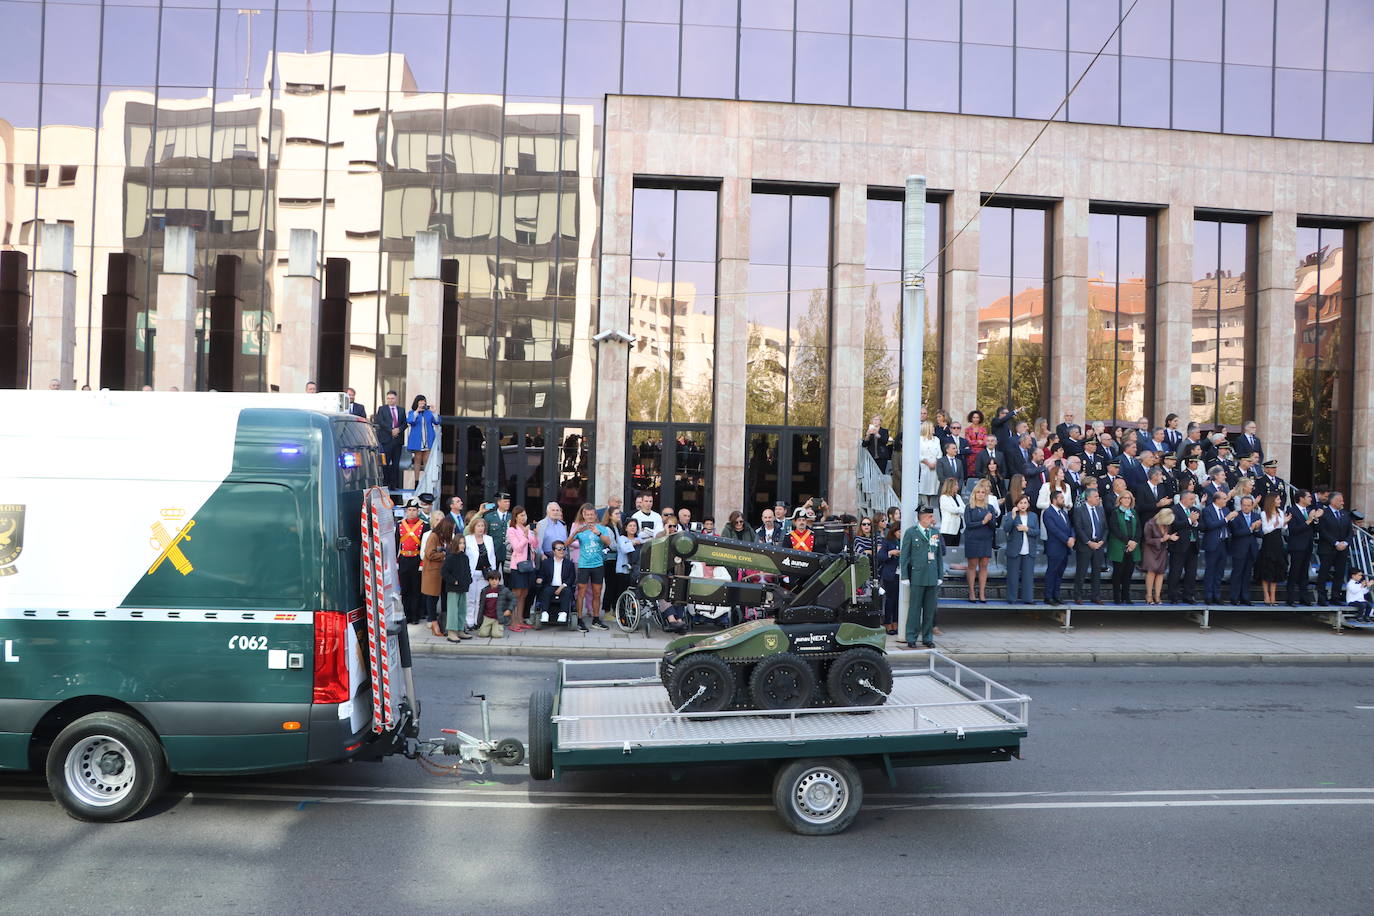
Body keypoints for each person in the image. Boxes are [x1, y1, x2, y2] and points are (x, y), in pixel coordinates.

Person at [899, 506, 943, 649]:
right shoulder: (911, 533)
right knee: (915, 609)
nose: (932, 519)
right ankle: (911, 637)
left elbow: (938, 556)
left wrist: (940, 575)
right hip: (917, 576)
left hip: (931, 576)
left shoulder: (935, 532)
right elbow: (905, 555)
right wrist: (904, 575)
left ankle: (927, 637)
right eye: (930, 516)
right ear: (923, 517)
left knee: (930, 610)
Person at [569, 503, 615, 630]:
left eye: (592, 514)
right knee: (581, 593)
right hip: (583, 565)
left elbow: (609, 543)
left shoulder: (601, 528)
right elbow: (566, 544)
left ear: (595, 515)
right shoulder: (580, 529)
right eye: (587, 515)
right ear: (583, 515)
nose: (590, 517)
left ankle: (596, 619)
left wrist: (598, 533)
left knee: (597, 593)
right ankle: (579, 619)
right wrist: (576, 532)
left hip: (598, 565)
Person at [503, 505, 540, 631]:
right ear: (516, 517)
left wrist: (534, 534)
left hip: (529, 565)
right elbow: (517, 548)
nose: (524, 517)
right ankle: (513, 623)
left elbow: (534, 545)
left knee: (524, 593)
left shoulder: (527, 529)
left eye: (525, 515)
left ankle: (520, 620)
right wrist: (525, 536)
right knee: (516, 594)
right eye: (521, 515)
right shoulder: (512, 530)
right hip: (518, 566)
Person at [1315, 491, 1353, 606]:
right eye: (1340, 500)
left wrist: (1345, 543)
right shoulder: (1324, 513)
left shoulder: (1345, 514)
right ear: (1333, 501)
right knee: (1324, 573)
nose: (1343, 502)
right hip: (1328, 548)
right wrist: (1335, 543)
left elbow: (1350, 531)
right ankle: (1322, 597)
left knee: (1340, 573)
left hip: (1342, 549)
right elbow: (1322, 530)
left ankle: (1335, 597)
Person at [1072, 488, 1108, 604]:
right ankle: (1078, 596)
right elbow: (1078, 528)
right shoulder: (1079, 510)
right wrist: (1088, 542)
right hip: (1085, 545)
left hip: (1098, 545)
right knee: (1081, 572)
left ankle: (1096, 596)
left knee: (1097, 572)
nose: (1098, 498)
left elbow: (1105, 528)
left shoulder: (1100, 510)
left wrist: (1102, 541)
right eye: (1096, 496)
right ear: (1088, 498)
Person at [1001, 495, 1038, 604]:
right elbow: (1006, 528)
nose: (1023, 505)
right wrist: (1012, 516)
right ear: (1016, 504)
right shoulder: (1010, 515)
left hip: (1029, 549)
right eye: (1020, 503)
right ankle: (1011, 598)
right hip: (1014, 549)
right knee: (1012, 575)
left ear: (1028, 504)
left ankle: (1028, 598)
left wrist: (1027, 529)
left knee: (1028, 576)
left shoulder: (1033, 516)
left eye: (1025, 503)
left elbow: (1037, 532)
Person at [420, 515, 454, 637]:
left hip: (442, 573)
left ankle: (442, 622)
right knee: (432, 598)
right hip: (433, 572)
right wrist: (443, 555)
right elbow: (429, 554)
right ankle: (433, 623)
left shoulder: (443, 538)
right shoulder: (433, 536)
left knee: (444, 597)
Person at [1285, 490, 1321, 606]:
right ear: (1301, 498)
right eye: (1309, 497)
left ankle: (1304, 597)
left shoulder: (1310, 510)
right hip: (1297, 546)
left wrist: (1315, 520)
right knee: (1294, 571)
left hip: (1308, 545)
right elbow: (1293, 530)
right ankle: (1290, 598)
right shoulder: (1291, 510)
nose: (1311, 499)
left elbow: (1315, 529)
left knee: (1305, 572)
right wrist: (1309, 521)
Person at [1200, 490, 1235, 604]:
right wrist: (1226, 519)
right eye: (1224, 499)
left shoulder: (1226, 509)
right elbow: (1210, 525)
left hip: (1224, 543)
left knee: (1220, 571)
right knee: (1210, 571)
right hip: (1212, 544)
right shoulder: (1207, 510)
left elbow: (1230, 525)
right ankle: (1208, 596)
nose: (1226, 501)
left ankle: (1217, 595)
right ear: (1217, 499)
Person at [463, 515, 498, 631]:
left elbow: (492, 557)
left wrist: (493, 573)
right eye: (478, 526)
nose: (480, 528)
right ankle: (469, 621)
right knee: (470, 598)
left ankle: (478, 621)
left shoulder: (489, 539)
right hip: (472, 573)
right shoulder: (468, 539)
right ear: (474, 527)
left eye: (482, 526)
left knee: (480, 598)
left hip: (485, 573)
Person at [1167, 491, 1202, 604]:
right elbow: (1174, 525)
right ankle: (1173, 595)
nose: (1193, 501)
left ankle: (1189, 595)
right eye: (1191, 499)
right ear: (1184, 499)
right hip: (1179, 545)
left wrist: (1195, 523)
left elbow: (1203, 526)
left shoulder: (1195, 510)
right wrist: (1189, 520)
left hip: (1193, 545)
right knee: (1175, 571)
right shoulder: (1174, 510)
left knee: (1191, 572)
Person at [1107, 491, 1142, 604]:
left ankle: (1126, 596)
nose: (1127, 500)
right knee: (1118, 572)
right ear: (1120, 500)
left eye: (1129, 498)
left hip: (1133, 547)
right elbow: (1115, 528)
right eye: (1125, 498)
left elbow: (1138, 529)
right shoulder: (1115, 512)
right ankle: (1117, 596)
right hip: (1119, 545)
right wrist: (1128, 541)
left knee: (1128, 572)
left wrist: (1135, 542)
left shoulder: (1134, 512)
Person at [533, 540, 577, 629]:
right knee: (546, 590)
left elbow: (571, 578)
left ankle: (563, 613)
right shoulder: (546, 563)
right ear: (553, 551)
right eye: (559, 549)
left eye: (563, 549)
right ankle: (544, 612)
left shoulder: (569, 564)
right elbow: (542, 574)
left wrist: (562, 586)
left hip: (563, 586)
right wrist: (540, 579)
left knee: (567, 591)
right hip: (550, 586)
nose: (562, 551)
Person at [1227, 495, 1262, 606]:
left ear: (1252, 506)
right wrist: (1251, 528)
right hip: (1239, 549)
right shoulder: (1236, 516)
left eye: (1248, 505)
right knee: (1237, 574)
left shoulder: (1256, 516)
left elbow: (1260, 534)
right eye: (1244, 505)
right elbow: (1236, 533)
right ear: (1241, 505)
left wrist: (1256, 529)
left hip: (1251, 549)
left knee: (1247, 575)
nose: (1246, 507)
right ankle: (1234, 597)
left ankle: (1245, 597)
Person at [962, 487, 996, 603]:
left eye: (983, 492)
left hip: (986, 539)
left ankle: (982, 593)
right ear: (974, 494)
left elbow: (993, 526)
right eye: (978, 492)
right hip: (972, 539)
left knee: (984, 566)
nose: (981, 494)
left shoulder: (990, 508)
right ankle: (971, 591)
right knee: (972, 565)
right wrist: (983, 522)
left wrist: (990, 520)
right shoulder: (969, 507)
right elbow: (969, 524)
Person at [396, 499, 426, 624]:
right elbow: (396, 542)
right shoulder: (400, 524)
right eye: (409, 510)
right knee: (405, 589)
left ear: (418, 511)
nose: (412, 512)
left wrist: (422, 563)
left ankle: (415, 616)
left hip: (416, 559)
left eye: (414, 510)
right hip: (403, 560)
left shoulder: (425, 525)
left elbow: (424, 545)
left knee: (416, 589)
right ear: (406, 511)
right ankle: (406, 615)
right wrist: (395, 561)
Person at [441, 525, 473, 641]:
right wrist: (453, 581)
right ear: (455, 544)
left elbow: (467, 570)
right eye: (460, 543)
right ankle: (451, 631)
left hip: (463, 587)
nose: (462, 545)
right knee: (453, 610)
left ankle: (460, 629)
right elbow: (444, 572)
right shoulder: (450, 557)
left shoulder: (464, 557)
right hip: (453, 588)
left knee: (462, 610)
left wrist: (469, 580)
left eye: (463, 543)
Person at [1255, 493, 1288, 606]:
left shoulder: (1281, 512)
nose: (1280, 501)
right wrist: (1276, 524)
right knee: (1267, 568)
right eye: (1278, 499)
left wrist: (1284, 522)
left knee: (1276, 569)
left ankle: (1273, 596)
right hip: (1268, 542)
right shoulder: (1264, 513)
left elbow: (1283, 528)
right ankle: (1266, 595)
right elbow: (1265, 530)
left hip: (1278, 542)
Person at [373, 390, 405, 489]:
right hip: (386, 440)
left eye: (392, 398)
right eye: (388, 398)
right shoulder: (382, 409)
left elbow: (405, 423)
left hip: (397, 441)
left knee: (396, 464)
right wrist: (391, 430)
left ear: (396, 399)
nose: (390, 400)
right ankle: (386, 483)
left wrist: (398, 430)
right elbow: (380, 421)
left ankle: (394, 484)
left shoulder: (401, 410)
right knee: (385, 463)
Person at [1142, 508, 1174, 605]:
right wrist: (1161, 540)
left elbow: (1166, 536)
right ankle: (1149, 596)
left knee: (1160, 573)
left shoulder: (1166, 524)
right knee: (1151, 572)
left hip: (1162, 550)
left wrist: (1170, 537)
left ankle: (1157, 596)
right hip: (1150, 550)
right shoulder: (1150, 524)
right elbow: (1147, 540)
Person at [405, 395, 439, 482]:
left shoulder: (428, 413)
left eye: (423, 401)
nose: (422, 403)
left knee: (426, 461)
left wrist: (434, 412)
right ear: (417, 402)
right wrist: (417, 411)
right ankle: (416, 481)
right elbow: (410, 421)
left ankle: (426, 481)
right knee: (417, 460)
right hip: (418, 440)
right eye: (420, 401)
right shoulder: (412, 412)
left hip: (427, 440)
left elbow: (437, 421)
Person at [474, 568, 514, 638]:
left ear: (499, 580)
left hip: (498, 617)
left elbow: (513, 599)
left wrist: (509, 609)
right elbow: (481, 606)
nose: (494, 582)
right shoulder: (484, 591)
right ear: (488, 580)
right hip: (487, 616)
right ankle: (489, 628)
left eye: (496, 579)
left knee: (497, 635)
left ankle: (496, 628)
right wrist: (479, 620)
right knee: (482, 634)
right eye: (492, 579)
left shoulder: (504, 590)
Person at [878, 522, 903, 635]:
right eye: (899, 531)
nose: (900, 533)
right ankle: (888, 623)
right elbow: (880, 556)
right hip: (890, 574)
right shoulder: (888, 541)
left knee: (899, 600)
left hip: (901, 574)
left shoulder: (905, 541)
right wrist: (890, 553)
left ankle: (896, 622)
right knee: (890, 600)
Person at [483, 493, 513, 573]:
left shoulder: (512, 517)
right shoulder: (489, 517)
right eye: (505, 501)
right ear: (499, 503)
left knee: (507, 578)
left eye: (508, 502)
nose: (508, 504)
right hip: (494, 551)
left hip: (507, 553)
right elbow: (485, 535)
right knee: (492, 575)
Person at [917, 421, 941, 505]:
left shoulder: (936, 440)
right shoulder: (920, 440)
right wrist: (928, 463)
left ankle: (931, 506)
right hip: (924, 467)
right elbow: (918, 454)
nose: (934, 429)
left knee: (933, 488)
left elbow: (939, 453)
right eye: (932, 428)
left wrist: (935, 463)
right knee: (924, 488)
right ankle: (925, 505)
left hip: (935, 467)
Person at [965, 410, 988, 478]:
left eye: (977, 417)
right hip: (971, 455)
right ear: (971, 418)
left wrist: (977, 442)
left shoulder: (983, 429)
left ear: (980, 418)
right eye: (974, 417)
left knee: (981, 471)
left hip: (981, 454)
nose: (975, 419)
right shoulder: (967, 429)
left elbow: (985, 442)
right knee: (971, 473)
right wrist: (979, 442)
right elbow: (968, 442)